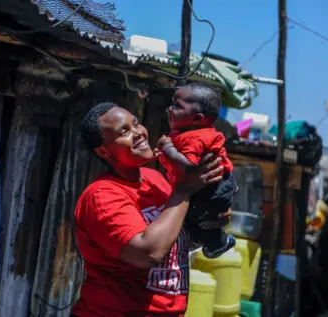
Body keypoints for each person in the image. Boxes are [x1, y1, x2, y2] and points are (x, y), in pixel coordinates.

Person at [71, 102, 230, 317]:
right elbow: (149, 252)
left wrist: (206, 225)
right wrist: (183, 190)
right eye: (124, 132)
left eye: (136, 124)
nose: (138, 133)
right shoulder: (102, 196)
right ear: (103, 150)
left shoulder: (154, 180)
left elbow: (169, 243)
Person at [156, 82, 237, 258]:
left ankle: (216, 242)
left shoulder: (194, 138)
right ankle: (216, 243)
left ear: (198, 119)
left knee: (195, 218)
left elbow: (189, 166)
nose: (170, 108)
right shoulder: (184, 134)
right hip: (211, 185)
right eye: (172, 103)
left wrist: (168, 149)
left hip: (214, 188)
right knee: (197, 221)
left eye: (177, 106)